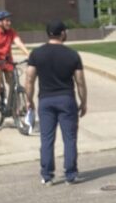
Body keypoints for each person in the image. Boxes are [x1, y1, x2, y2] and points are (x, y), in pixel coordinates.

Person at [25, 21, 87, 185]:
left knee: (46, 139)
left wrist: (29, 100)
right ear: (62, 33)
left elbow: (29, 79)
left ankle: (47, 175)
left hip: (45, 100)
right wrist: (84, 101)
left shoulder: (36, 54)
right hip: (66, 99)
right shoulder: (72, 54)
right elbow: (80, 81)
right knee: (70, 138)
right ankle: (71, 174)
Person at [0, 10, 31, 131]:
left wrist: (28, 54)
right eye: (6, 20)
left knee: (14, 85)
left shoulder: (11, 32)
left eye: (9, 20)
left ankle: (15, 110)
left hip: (8, 62)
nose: (9, 22)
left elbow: (18, 43)